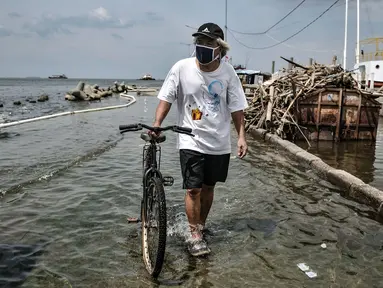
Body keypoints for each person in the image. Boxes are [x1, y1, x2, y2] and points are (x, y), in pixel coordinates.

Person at [152, 22, 249, 256]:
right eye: (199, 42)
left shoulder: (228, 73)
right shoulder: (181, 68)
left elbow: (237, 108)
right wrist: (157, 124)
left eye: (208, 43)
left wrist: (242, 137)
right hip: (190, 139)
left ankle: (201, 226)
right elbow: (166, 98)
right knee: (193, 189)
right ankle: (194, 235)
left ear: (219, 49)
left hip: (218, 142)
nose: (202, 46)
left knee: (208, 187)